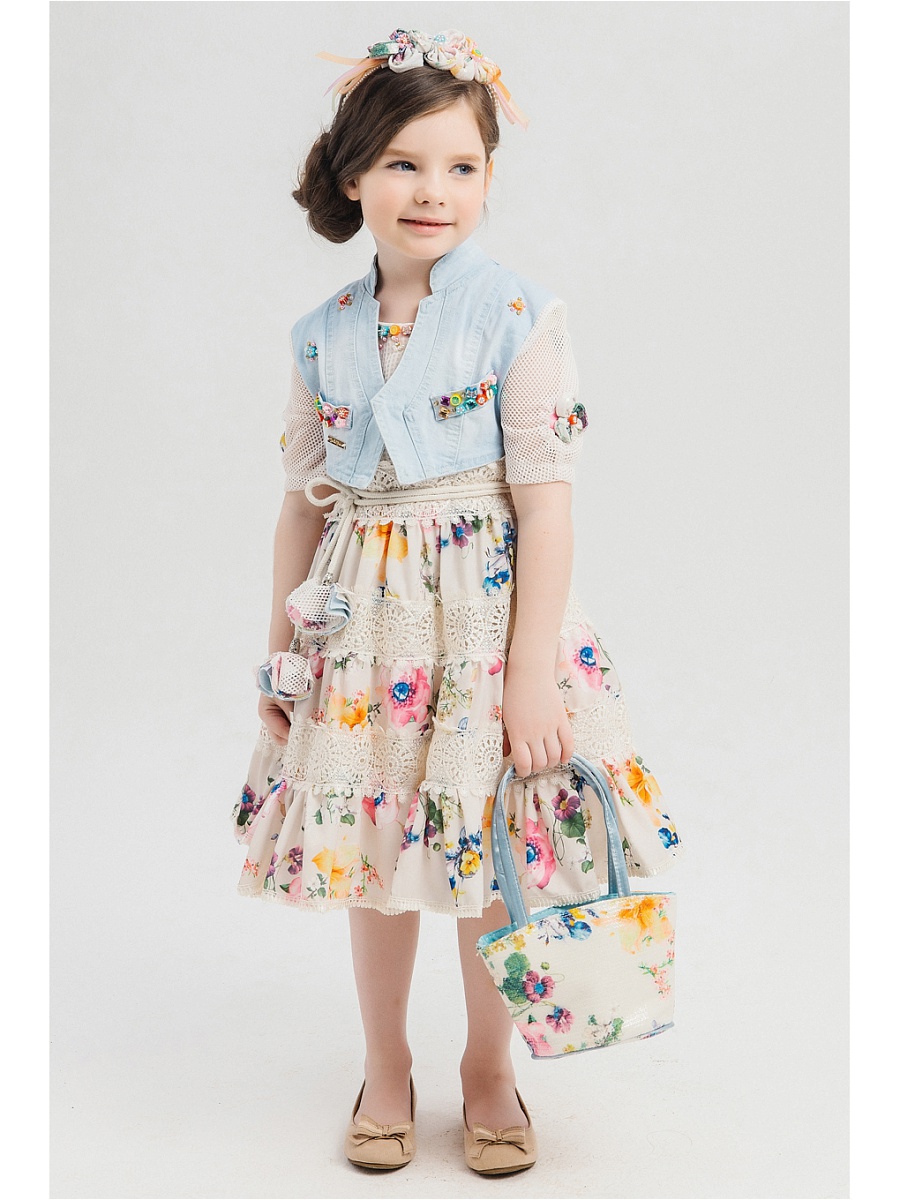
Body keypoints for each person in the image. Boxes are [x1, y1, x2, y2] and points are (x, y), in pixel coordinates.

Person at [232, 28, 683, 1175]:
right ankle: (386, 1064)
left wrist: (530, 675)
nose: (433, 190)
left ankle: (491, 1066)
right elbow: (301, 507)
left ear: (488, 177)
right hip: (364, 629)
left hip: (486, 625)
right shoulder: (322, 334)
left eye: (461, 166)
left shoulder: (520, 314)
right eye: (404, 163)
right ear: (354, 176)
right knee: (373, 849)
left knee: (493, 841)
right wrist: (280, 657)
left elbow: (547, 506)